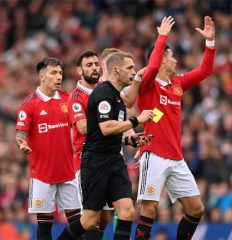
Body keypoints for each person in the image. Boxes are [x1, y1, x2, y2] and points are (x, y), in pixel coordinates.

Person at [134, 16, 215, 240]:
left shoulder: (177, 83)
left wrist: (210, 43)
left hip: (176, 157)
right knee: (149, 209)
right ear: (161, 60)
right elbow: (151, 66)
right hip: (154, 154)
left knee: (196, 209)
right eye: (171, 57)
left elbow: (204, 71)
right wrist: (162, 37)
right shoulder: (147, 84)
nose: (176, 61)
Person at [58, 51, 154, 240]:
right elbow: (105, 128)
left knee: (127, 211)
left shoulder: (116, 96)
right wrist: (136, 120)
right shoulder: (102, 93)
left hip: (114, 160)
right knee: (89, 220)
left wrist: (129, 140)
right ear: (116, 71)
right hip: (95, 162)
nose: (133, 72)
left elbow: (109, 132)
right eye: (129, 68)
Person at [15, 57, 82, 240]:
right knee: (45, 224)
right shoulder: (29, 103)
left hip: (68, 172)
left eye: (60, 73)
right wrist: (22, 143)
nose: (59, 77)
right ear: (42, 76)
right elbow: (20, 133)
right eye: (54, 73)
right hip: (42, 174)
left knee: (79, 223)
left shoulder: (68, 99)